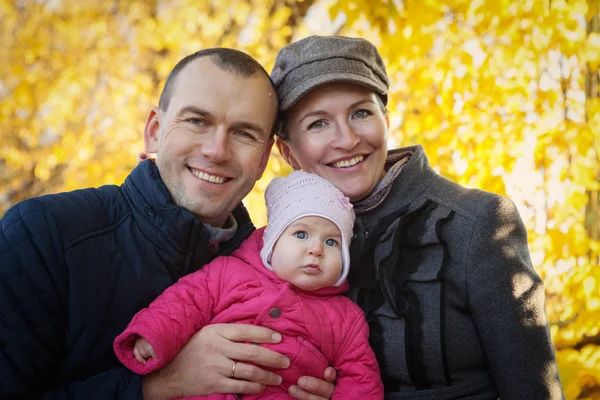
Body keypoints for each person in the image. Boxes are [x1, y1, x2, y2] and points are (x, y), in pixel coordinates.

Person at [267, 35, 566, 399]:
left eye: (361, 113)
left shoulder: (476, 222)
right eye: (317, 124)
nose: (345, 139)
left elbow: (533, 391)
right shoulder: (277, 244)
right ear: (287, 151)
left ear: (386, 120)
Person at [0, 48, 291, 399]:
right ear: (154, 130)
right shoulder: (43, 234)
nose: (217, 151)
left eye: (244, 133)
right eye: (197, 121)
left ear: (263, 161)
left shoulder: (278, 268)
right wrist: (157, 387)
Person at [113, 171, 384, 399]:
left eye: (331, 242)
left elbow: (361, 377)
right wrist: (154, 336)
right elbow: (184, 302)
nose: (316, 249)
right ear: (272, 240)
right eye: (301, 234)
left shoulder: (347, 319)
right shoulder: (229, 272)